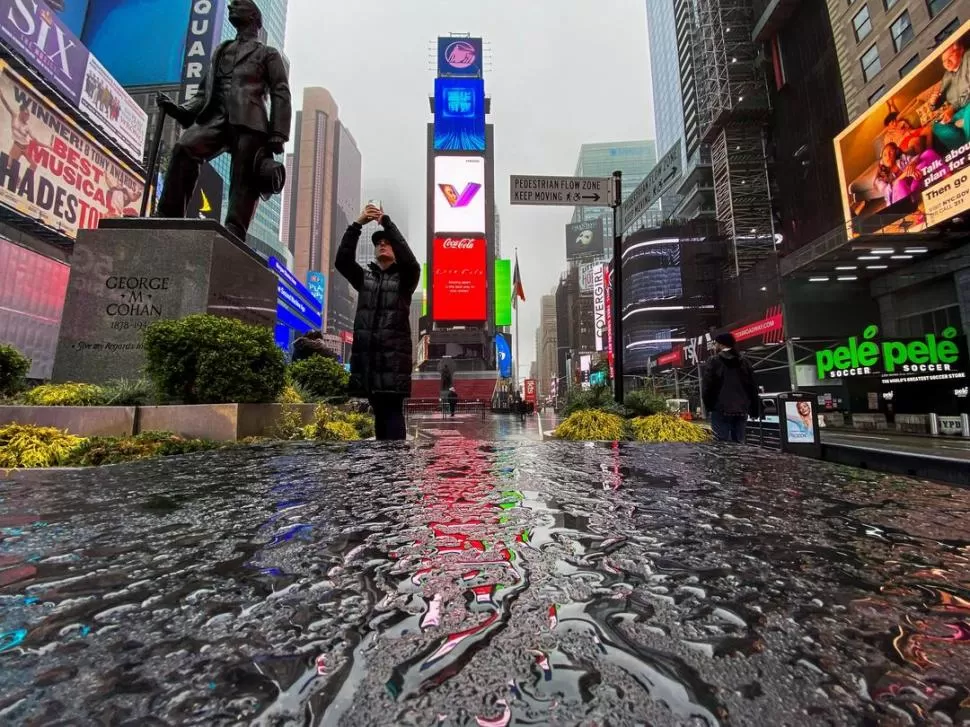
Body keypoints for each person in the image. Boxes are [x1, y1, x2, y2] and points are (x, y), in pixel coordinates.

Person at [155, 0, 291, 242]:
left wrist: (278, 133)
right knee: (185, 148)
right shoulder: (221, 50)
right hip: (215, 116)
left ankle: (236, 228)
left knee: (244, 175)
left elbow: (281, 91)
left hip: (250, 121)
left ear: (252, 17)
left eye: (237, 5)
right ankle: (169, 213)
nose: (230, 7)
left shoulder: (267, 54)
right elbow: (204, 92)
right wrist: (179, 110)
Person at [335, 204, 420, 441]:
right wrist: (357, 225)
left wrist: (386, 222)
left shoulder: (405, 279)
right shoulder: (365, 278)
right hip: (368, 364)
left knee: (392, 415)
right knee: (379, 417)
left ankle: (394, 471)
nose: (382, 244)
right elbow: (342, 261)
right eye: (378, 243)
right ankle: (382, 474)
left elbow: (411, 262)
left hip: (392, 364)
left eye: (387, 242)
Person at [702, 333, 761, 444]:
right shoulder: (745, 361)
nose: (714, 347)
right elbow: (752, 387)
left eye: (715, 344)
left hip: (720, 409)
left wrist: (709, 407)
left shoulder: (714, 361)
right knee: (739, 442)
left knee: (721, 444)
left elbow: (707, 387)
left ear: (720, 344)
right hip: (741, 410)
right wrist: (754, 410)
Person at [932, 39, 970, 151]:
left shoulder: (968, 58)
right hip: (959, 111)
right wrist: (933, 102)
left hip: (968, 105)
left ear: (961, 50)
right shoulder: (946, 77)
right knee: (937, 126)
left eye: (950, 56)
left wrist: (952, 108)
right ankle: (962, 150)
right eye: (944, 61)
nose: (947, 62)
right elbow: (940, 98)